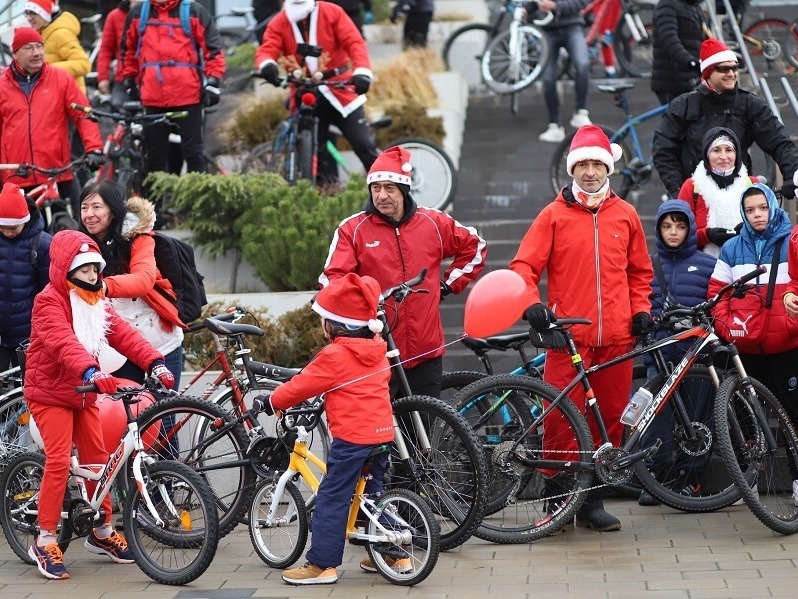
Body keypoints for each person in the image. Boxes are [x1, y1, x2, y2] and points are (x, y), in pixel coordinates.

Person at [510, 125, 653, 531]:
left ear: (607, 167)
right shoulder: (553, 215)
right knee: (559, 422)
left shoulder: (625, 214)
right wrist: (532, 305)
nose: (590, 172)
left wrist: (640, 309)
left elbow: (641, 272)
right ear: (572, 169)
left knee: (608, 423)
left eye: (597, 164)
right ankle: (558, 504)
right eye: (583, 164)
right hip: (567, 340)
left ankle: (591, 504)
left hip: (618, 340)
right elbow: (523, 268)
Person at [23, 229, 174, 580]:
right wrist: (91, 369)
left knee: (98, 460)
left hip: (83, 390)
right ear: (66, 270)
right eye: (85, 270)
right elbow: (63, 343)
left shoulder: (94, 300)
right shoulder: (48, 301)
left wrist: (154, 361)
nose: (94, 277)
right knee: (60, 459)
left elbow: (121, 332)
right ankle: (44, 539)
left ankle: (101, 531)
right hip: (50, 393)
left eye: (96, 269)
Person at [320, 145, 487, 399]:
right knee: (385, 434)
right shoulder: (353, 229)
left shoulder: (433, 222)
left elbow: (475, 247)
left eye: (390, 188)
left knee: (426, 433)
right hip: (376, 352)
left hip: (425, 352)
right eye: (376, 188)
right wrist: (355, 310)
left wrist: (447, 285)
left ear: (405, 190)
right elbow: (333, 279)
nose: (382, 196)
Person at [261, 272, 395, 585]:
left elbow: (301, 386)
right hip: (381, 435)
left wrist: (271, 401)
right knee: (371, 495)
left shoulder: (334, 355)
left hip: (352, 440)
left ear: (334, 324)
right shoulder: (377, 348)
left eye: (324, 320)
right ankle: (394, 554)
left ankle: (321, 565)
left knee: (332, 498)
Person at [709, 182, 798, 506]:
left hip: (787, 348)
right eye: (750, 210)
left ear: (773, 207)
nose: (757, 214)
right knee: (745, 418)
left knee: (792, 416)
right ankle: (747, 482)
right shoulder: (732, 248)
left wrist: (792, 323)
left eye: (762, 208)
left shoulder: (792, 242)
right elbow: (716, 295)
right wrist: (729, 329)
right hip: (745, 352)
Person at [637, 199, 717, 506]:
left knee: (697, 419)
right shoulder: (648, 265)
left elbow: (715, 308)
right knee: (656, 421)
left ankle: (690, 479)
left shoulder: (708, 265)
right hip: (660, 357)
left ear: (690, 228)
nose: (674, 232)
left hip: (695, 358)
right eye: (667, 226)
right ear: (659, 229)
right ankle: (656, 478)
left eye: (680, 226)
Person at [652, 37, 798, 199]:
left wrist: (792, 174)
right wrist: (679, 192)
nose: (731, 74)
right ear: (707, 73)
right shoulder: (683, 105)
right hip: (696, 198)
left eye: (734, 68)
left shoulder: (748, 104)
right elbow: (663, 151)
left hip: (739, 196)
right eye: (723, 69)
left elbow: (779, 141)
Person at [255, 0, 379, 185]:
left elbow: (354, 42)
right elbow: (267, 48)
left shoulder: (332, 12)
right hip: (306, 94)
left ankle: (393, 193)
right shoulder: (280, 21)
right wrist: (267, 65)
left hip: (339, 89)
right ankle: (326, 201)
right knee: (315, 156)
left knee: (364, 145)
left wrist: (361, 71)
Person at [78, 180, 185, 385]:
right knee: (127, 413)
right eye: (84, 208)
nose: (89, 214)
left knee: (165, 412)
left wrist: (104, 286)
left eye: (96, 207)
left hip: (160, 343)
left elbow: (144, 279)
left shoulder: (139, 238)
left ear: (113, 210)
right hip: (119, 350)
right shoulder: (81, 244)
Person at [0, 27, 104, 210]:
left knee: (70, 228)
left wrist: (94, 148)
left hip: (57, 173)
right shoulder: (2, 86)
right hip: (17, 176)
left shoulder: (61, 79)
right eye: (29, 48)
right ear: (15, 54)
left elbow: (82, 114)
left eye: (40, 46)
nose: (37, 53)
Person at [119, 0, 225, 175]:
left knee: (193, 156)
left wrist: (213, 82)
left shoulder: (194, 11)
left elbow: (213, 50)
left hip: (189, 97)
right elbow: (128, 50)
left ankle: (195, 201)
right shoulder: (139, 13)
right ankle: (154, 203)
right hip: (153, 98)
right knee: (153, 160)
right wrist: (130, 80)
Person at [678, 127, 758, 257]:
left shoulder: (753, 185)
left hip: (748, 263)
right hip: (703, 267)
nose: (723, 156)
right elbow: (677, 233)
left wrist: (749, 230)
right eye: (716, 150)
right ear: (707, 154)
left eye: (729, 150)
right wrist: (707, 235)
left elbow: (770, 227)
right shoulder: (691, 186)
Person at [0, 182, 52, 371]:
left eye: (12, 227)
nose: (7, 232)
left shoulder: (42, 244)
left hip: (28, 334)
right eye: (2, 227)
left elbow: (49, 290)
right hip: (1, 334)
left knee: (26, 387)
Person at [535, 0, 592, 143]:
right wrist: (527, 9)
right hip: (546, 30)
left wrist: (556, 6)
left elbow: (583, 2)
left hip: (572, 26)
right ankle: (554, 125)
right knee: (547, 78)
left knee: (583, 65)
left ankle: (581, 111)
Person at [24, 0, 91, 94]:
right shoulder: (40, 32)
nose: (29, 18)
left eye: (33, 13)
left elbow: (83, 64)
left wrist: (48, 70)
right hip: (53, 96)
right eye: (26, 13)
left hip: (70, 99)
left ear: (45, 13)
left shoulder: (61, 34)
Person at [650, 0, 703, 106]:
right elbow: (669, 39)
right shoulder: (668, 4)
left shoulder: (695, 7)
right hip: (671, 80)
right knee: (676, 120)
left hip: (690, 78)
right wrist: (690, 61)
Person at [97, 0, 137, 110]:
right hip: (123, 78)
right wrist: (103, 77)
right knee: (118, 108)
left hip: (148, 79)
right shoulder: (115, 16)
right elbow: (106, 49)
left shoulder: (152, 15)